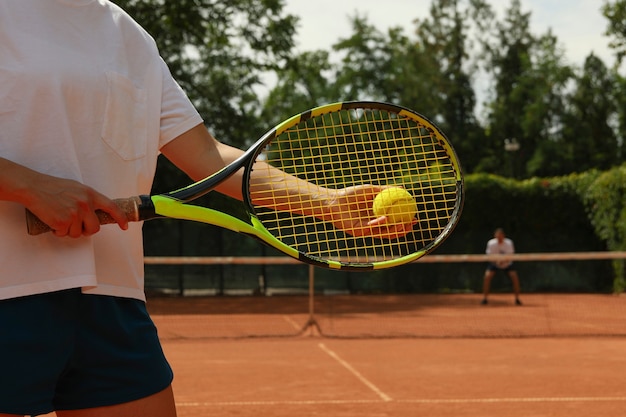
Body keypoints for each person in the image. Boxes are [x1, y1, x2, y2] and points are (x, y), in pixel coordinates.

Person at [0, 2, 410, 416]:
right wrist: (28, 186)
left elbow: (210, 157)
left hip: (113, 297)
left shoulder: (128, 34)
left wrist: (328, 202)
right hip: (8, 292)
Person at [480, 228, 522, 306]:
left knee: (514, 277)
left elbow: (511, 256)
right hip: (494, 263)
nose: (499, 238)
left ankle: (517, 299)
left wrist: (503, 261)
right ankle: (485, 298)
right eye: (497, 236)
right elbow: (489, 256)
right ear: (495, 236)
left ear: (503, 236)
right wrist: (497, 261)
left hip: (507, 263)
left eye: (500, 236)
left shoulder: (509, 243)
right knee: (487, 277)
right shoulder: (491, 243)